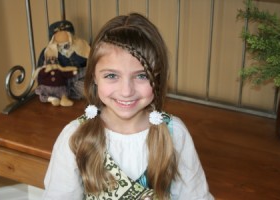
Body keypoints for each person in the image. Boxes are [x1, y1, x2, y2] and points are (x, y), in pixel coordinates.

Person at [43, 13, 214, 200]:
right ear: (93, 76)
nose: (126, 91)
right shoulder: (75, 137)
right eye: (111, 76)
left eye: (141, 76)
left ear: (157, 77)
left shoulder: (174, 133)